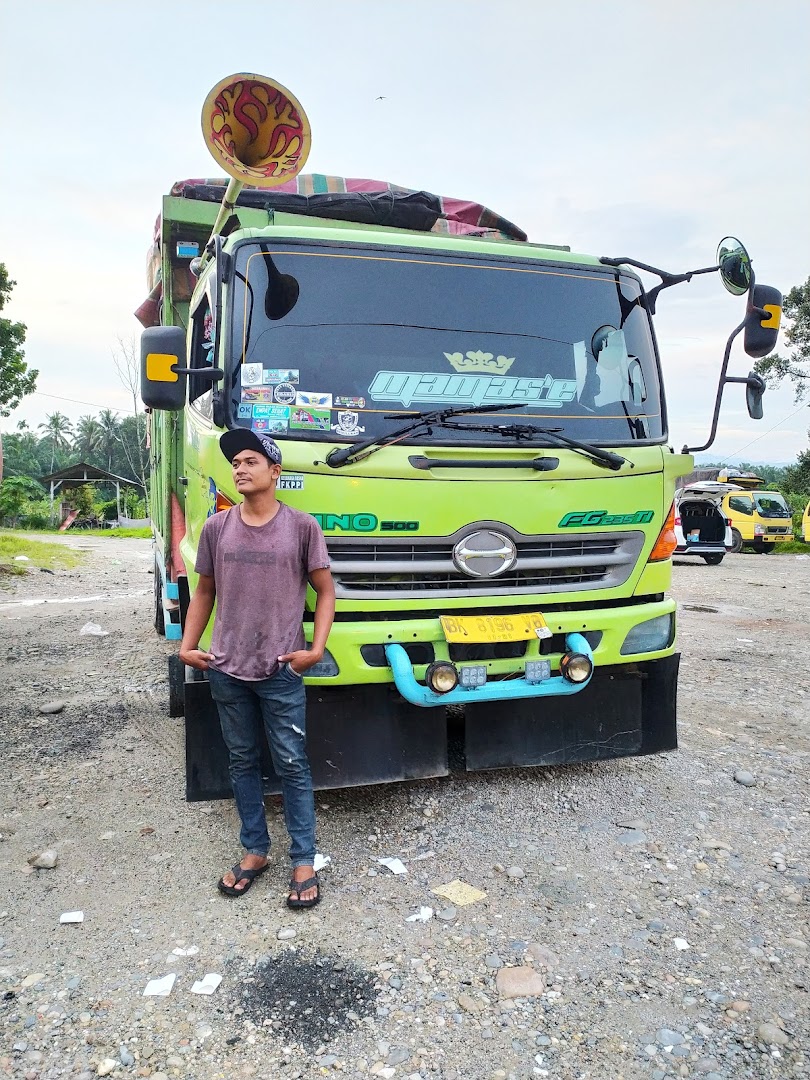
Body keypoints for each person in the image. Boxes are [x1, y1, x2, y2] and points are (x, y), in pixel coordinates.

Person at [179, 430, 335, 908]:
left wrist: (315, 649)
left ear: (275, 472)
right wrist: (188, 646)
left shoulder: (301, 527)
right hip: (227, 667)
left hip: (282, 669)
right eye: (236, 463)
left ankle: (303, 859)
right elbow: (203, 590)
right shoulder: (216, 528)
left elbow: (325, 591)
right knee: (242, 762)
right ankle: (255, 852)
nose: (240, 469)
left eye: (251, 461)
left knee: (292, 763)